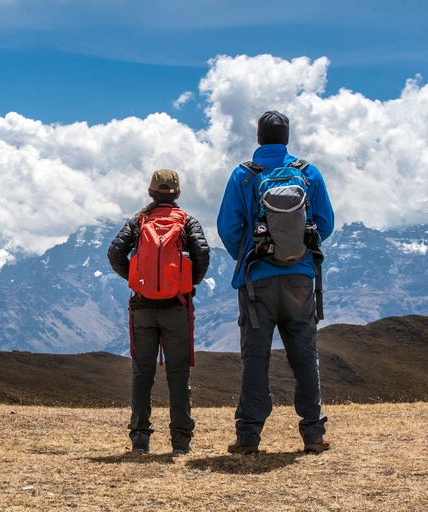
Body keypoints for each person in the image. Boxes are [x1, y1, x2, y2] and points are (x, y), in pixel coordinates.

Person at [216, 111, 335, 454]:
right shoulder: (308, 173)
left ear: (259, 137)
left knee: (256, 358)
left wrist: (252, 254)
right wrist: (297, 250)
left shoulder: (243, 175)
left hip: (257, 283)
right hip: (300, 279)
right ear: (286, 137)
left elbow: (228, 228)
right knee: (305, 355)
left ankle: (248, 437)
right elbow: (324, 223)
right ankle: (313, 434)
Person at [108, 169, 210, 455]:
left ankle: (140, 437)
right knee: (178, 375)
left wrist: (136, 278)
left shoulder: (139, 221)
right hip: (177, 306)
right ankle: (181, 440)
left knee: (143, 373)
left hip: (143, 306)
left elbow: (115, 253)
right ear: (177, 194)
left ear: (151, 192)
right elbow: (202, 255)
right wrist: (186, 284)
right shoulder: (187, 220)